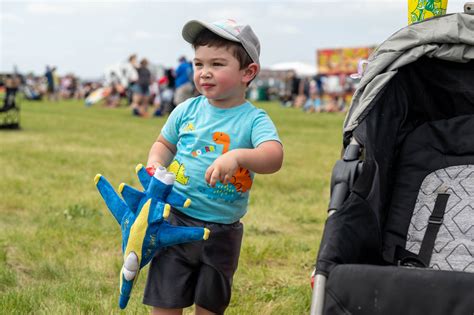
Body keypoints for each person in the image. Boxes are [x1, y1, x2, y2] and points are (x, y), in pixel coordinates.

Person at [144, 19, 283, 315]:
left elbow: (273, 155)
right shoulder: (186, 110)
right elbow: (164, 144)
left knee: (210, 304)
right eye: (198, 64)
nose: (204, 72)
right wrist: (155, 163)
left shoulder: (253, 119)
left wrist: (238, 157)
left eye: (217, 64)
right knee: (165, 300)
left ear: (248, 72)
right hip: (175, 221)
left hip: (222, 231)